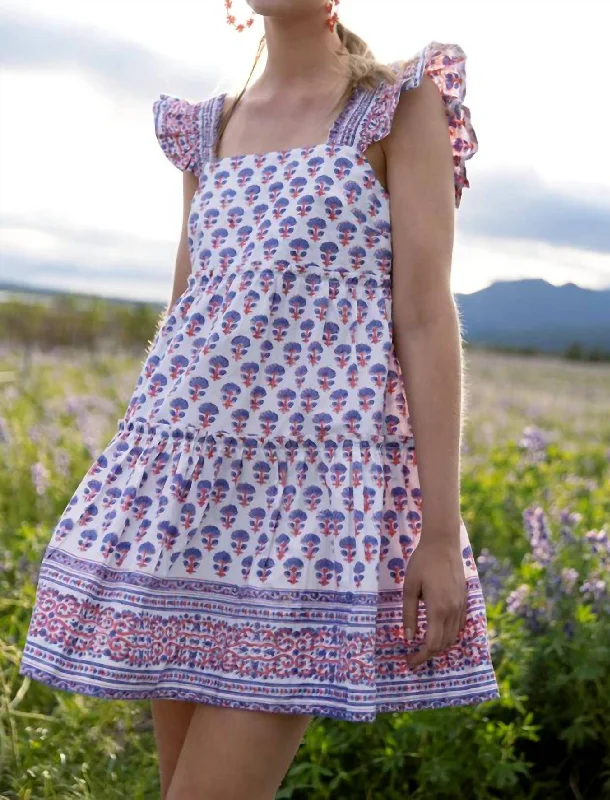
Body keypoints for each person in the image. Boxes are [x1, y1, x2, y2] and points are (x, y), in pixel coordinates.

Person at [19, 1, 499, 797]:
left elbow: (422, 317)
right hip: (185, 503)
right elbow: (185, 312)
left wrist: (438, 533)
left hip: (308, 515)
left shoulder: (395, 104)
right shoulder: (203, 130)